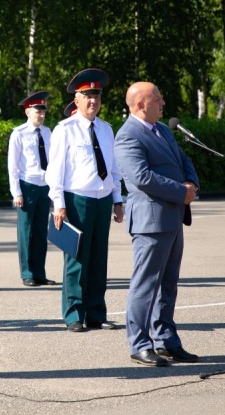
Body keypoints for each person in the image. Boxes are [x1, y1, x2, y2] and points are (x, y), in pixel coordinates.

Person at [113, 81, 200, 366]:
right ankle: (139, 344)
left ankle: (165, 340)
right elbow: (142, 178)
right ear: (140, 105)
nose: (163, 104)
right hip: (150, 223)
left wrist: (191, 184)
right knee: (146, 285)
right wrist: (180, 191)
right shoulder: (127, 136)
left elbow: (183, 160)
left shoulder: (162, 130)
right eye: (158, 99)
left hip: (173, 218)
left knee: (168, 285)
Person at [46, 69, 124, 332]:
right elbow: (54, 172)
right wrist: (59, 204)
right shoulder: (64, 130)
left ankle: (95, 314)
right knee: (77, 259)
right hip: (76, 199)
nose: (93, 101)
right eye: (87, 96)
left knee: (98, 259)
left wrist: (117, 199)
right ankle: (73, 315)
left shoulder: (106, 129)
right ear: (76, 100)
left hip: (102, 200)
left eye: (97, 96)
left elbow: (113, 168)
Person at [7, 91, 56, 287]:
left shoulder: (48, 132)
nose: (41, 115)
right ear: (28, 112)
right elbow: (13, 166)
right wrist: (16, 192)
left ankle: (39, 273)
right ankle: (27, 273)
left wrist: (53, 190)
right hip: (27, 185)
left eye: (43, 112)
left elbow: (52, 162)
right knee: (26, 232)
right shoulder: (18, 133)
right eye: (38, 111)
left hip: (44, 186)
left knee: (40, 232)